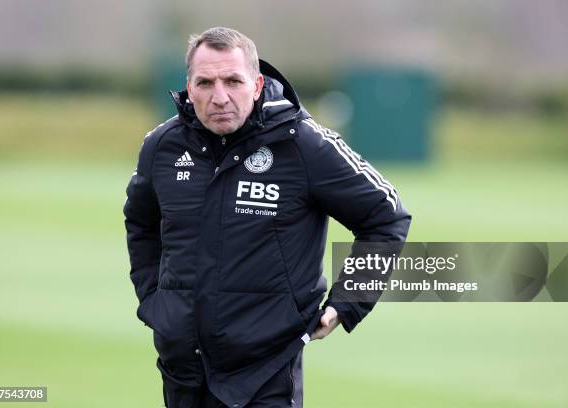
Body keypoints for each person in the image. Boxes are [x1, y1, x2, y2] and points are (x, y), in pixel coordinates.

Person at [124, 27, 411, 408]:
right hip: (182, 367)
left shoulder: (303, 144)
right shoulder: (162, 146)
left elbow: (386, 215)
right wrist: (156, 302)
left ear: (257, 85)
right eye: (205, 83)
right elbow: (141, 224)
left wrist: (348, 301)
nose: (219, 96)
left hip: (265, 372)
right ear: (189, 88)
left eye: (233, 81)